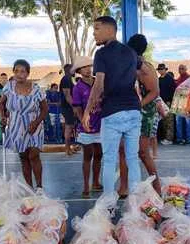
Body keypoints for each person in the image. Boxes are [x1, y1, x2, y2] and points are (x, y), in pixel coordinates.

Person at [82, 16, 142, 196]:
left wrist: (87, 112)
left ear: (111, 30)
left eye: (97, 29)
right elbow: (140, 73)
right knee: (132, 158)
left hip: (113, 112)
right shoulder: (131, 52)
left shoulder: (101, 54)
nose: (94, 34)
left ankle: (108, 204)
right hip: (134, 110)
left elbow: (98, 84)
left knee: (109, 160)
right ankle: (136, 205)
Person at [0, 59, 48, 190]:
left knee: (33, 154)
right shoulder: (9, 87)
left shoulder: (36, 89)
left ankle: (39, 187)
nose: (19, 74)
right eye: (16, 71)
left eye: (22, 71)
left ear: (28, 73)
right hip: (16, 126)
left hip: (34, 124)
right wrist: (3, 117)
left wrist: (36, 122)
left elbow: (45, 109)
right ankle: (29, 188)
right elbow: (1, 104)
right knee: (23, 157)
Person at [127, 33, 161, 194]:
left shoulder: (144, 67)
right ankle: (128, 188)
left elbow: (154, 92)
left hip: (145, 114)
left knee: (143, 152)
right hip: (136, 113)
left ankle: (157, 187)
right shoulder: (134, 65)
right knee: (128, 152)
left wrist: (138, 105)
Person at [71, 56, 103, 198]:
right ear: (79, 70)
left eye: (89, 66)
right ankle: (86, 185)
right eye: (84, 67)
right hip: (87, 127)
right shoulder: (77, 88)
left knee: (99, 154)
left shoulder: (99, 82)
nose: (88, 69)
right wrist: (83, 121)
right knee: (87, 155)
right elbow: (77, 108)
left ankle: (96, 182)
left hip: (101, 125)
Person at [157, 63, 176, 145]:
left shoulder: (170, 79)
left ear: (165, 69)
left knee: (169, 121)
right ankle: (165, 137)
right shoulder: (158, 79)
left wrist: (171, 101)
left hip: (168, 102)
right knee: (163, 121)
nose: (161, 70)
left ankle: (169, 138)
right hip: (161, 102)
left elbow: (173, 90)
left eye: (162, 69)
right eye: (159, 69)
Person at [60, 64, 77, 155]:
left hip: (69, 107)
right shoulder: (66, 79)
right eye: (73, 69)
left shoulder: (70, 79)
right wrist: (74, 106)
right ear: (69, 70)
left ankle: (70, 147)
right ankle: (67, 149)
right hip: (67, 107)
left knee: (71, 127)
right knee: (68, 127)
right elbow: (67, 95)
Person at [175, 64, 190, 144]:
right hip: (178, 102)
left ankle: (189, 140)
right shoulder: (178, 79)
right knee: (178, 122)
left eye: (182, 68)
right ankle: (180, 139)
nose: (180, 70)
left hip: (187, 103)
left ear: (186, 69)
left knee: (188, 122)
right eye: (179, 69)